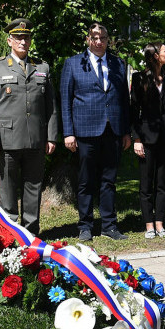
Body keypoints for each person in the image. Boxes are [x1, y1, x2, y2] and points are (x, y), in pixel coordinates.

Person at [0, 20, 59, 234]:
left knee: (33, 188)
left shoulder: (42, 67)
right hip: (7, 140)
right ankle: (9, 233)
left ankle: (31, 232)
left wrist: (51, 137)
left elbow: (51, 107)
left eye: (26, 37)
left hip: (35, 139)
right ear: (9, 41)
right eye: (18, 38)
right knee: (7, 192)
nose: (23, 41)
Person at [61, 23, 132, 242]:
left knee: (109, 180)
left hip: (113, 130)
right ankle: (85, 226)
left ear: (108, 39)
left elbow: (124, 100)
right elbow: (65, 100)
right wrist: (68, 133)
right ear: (88, 39)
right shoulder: (73, 64)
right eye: (94, 37)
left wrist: (126, 131)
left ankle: (109, 225)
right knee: (86, 181)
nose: (99, 42)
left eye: (103, 38)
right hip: (85, 131)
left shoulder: (118, 63)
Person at [130, 42, 165, 239]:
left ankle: (160, 223)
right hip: (147, 136)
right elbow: (134, 110)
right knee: (146, 182)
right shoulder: (139, 78)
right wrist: (136, 138)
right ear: (155, 56)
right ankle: (149, 225)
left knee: (163, 181)